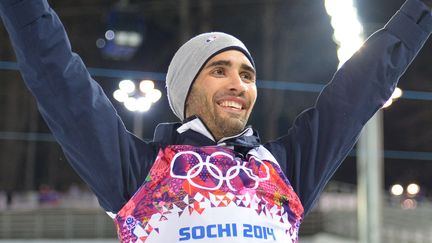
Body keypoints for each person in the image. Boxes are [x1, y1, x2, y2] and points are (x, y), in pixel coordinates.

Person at [0, 0, 431, 242]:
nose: (238, 84)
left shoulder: (285, 169)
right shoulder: (137, 171)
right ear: (186, 89)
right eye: (219, 70)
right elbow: (59, 78)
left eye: (247, 74)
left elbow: (355, 93)